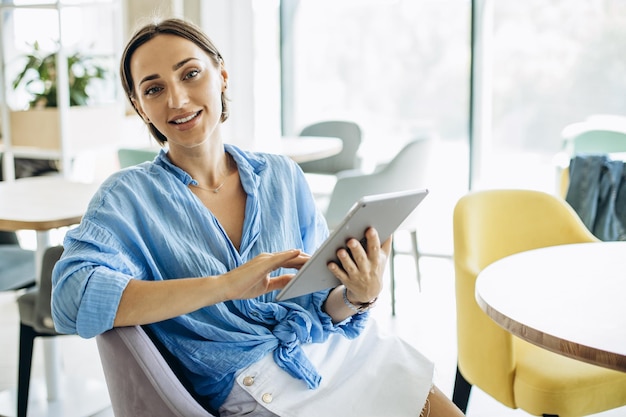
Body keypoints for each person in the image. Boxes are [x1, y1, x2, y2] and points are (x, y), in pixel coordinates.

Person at [51, 18, 464, 417]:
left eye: (190, 74)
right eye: (154, 89)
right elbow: (72, 299)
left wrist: (360, 296)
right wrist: (225, 287)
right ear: (140, 107)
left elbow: (321, 307)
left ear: (222, 75)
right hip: (259, 382)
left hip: (345, 351)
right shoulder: (127, 197)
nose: (176, 99)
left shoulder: (282, 175)